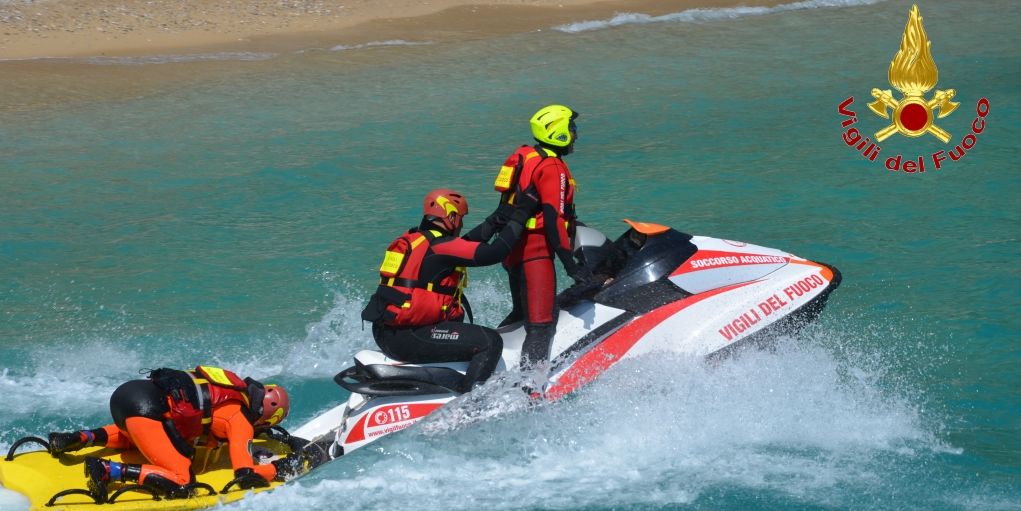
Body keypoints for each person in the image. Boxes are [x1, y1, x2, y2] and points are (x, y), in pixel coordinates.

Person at [361, 188, 538, 392]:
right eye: (460, 218)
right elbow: (494, 252)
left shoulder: (419, 240)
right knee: (489, 342)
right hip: (408, 337)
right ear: (451, 217)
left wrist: (496, 220)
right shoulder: (440, 246)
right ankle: (471, 403)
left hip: (387, 333)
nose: (461, 224)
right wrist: (521, 214)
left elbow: (464, 245)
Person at [47, 365, 303, 502]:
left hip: (128, 396)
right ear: (266, 415)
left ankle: (79, 438)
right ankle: (108, 471)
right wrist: (282, 467)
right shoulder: (240, 418)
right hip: (145, 411)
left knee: (140, 436)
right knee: (182, 479)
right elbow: (245, 474)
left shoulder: (226, 385)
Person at [486, 104, 595, 369]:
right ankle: (529, 388)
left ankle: (489, 363)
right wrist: (571, 266)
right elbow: (554, 220)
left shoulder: (525, 156)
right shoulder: (553, 167)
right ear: (557, 132)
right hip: (535, 254)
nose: (575, 134)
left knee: (521, 314)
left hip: (514, 249)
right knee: (541, 325)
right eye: (571, 128)